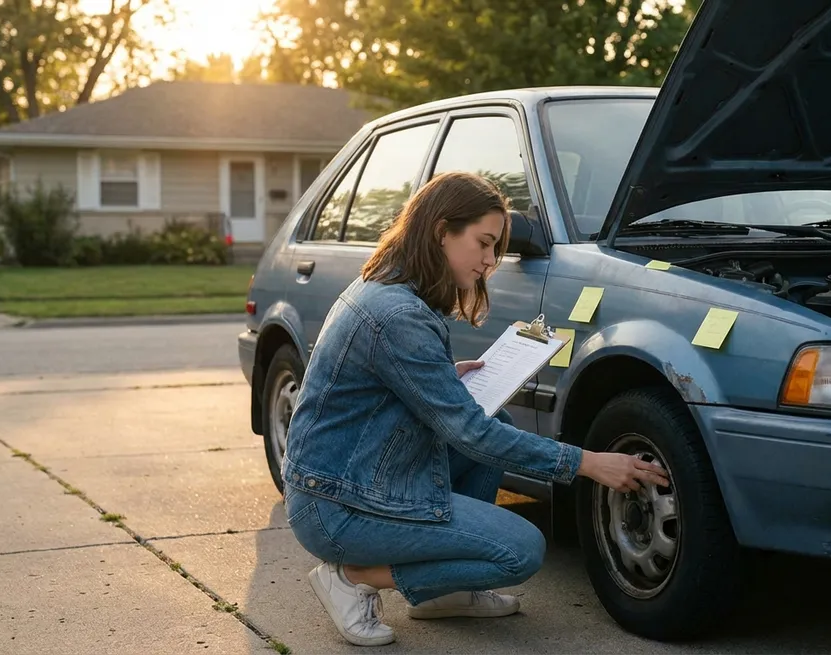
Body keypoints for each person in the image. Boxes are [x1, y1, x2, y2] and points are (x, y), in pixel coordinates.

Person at [281, 171, 670, 647]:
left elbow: (378, 391)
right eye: (484, 244)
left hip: (348, 478)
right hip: (339, 507)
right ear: (442, 231)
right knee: (521, 551)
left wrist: (443, 377)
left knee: (498, 418)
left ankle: (445, 593)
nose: (490, 261)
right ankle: (355, 577)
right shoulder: (399, 314)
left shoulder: (386, 288)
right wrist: (587, 463)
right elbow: (470, 434)